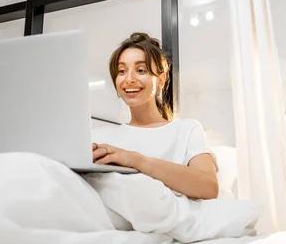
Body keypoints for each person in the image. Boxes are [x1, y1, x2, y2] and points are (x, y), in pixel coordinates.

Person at [91, 32, 219, 200]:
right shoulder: (99, 137)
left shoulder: (186, 129)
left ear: (160, 80)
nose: (129, 79)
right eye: (122, 71)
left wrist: (135, 160)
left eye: (141, 70)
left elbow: (208, 187)